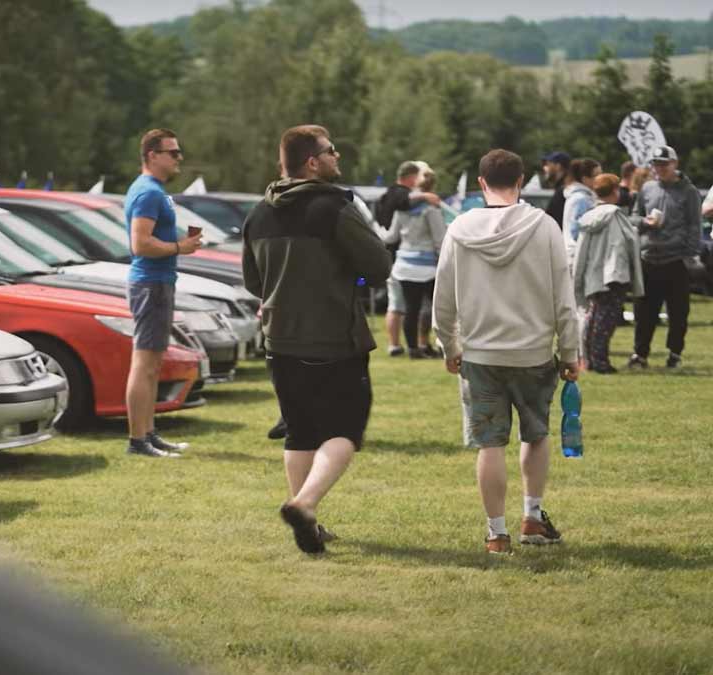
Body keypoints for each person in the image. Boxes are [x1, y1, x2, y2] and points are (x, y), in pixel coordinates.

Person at [242, 124, 390, 554]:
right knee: (345, 428)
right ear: (312, 161)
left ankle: (307, 521)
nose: (337, 158)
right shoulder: (335, 207)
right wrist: (353, 277)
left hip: (280, 341)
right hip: (334, 341)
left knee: (300, 432)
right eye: (331, 151)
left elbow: (254, 281)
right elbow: (377, 267)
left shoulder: (258, 213)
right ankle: (304, 505)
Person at [433, 149, 579, 555]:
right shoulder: (545, 226)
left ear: (481, 183)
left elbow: (442, 299)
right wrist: (570, 351)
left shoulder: (459, 228)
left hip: (480, 354)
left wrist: (450, 345)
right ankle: (532, 515)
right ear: (522, 180)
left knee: (490, 444)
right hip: (533, 353)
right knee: (535, 434)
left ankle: (496, 534)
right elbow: (563, 299)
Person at [123, 128, 203, 457]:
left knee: (154, 364)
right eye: (172, 152)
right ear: (152, 155)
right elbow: (139, 243)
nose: (179, 158)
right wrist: (179, 247)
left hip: (158, 282)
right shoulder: (148, 192)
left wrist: (178, 245)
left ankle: (149, 433)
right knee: (144, 364)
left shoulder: (156, 191)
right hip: (150, 283)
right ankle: (137, 441)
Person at [627, 145, 703, 370]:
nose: (659, 168)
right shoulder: (648, 188)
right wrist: (643, 223)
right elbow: (634, 216)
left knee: (678, 312)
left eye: (663, 164)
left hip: (675, 260)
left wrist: (687, 255)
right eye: (656, 164)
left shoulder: (688, 191)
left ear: (674, 164)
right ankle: (640, 354)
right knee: (643, 311)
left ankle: (675, 353)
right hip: (648, 257)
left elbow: (694, 226)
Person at [573, 173, 644, 373]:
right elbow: (620, 245)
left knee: (593, 317)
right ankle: (601, 362)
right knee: (605, 321)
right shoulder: (614, 216)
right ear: (614, 191)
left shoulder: (590, 216)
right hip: (612, 275)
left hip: (593, 275)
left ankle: (589, 360)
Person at [376, 160, 441, 356]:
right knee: (433, 307)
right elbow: (440, 240)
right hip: (427, 265)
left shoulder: (401, 209)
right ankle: (427, 344)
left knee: (410, 309)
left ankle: (412, 348)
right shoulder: (431, 209)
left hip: (404, 264)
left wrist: (375, 230)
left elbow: (391, 237)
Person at [562, 158, 601, 263]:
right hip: (577, 255)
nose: (601, 178)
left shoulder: (583, 197)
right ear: (585, 179)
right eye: (597, 175)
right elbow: (576, 231)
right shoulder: (581, 199)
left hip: (577, 254)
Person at [541, 151, 572, 227]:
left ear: (558, 166)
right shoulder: (562, 186)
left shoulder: (564, 189)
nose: (546, 168)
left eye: (548, 164)